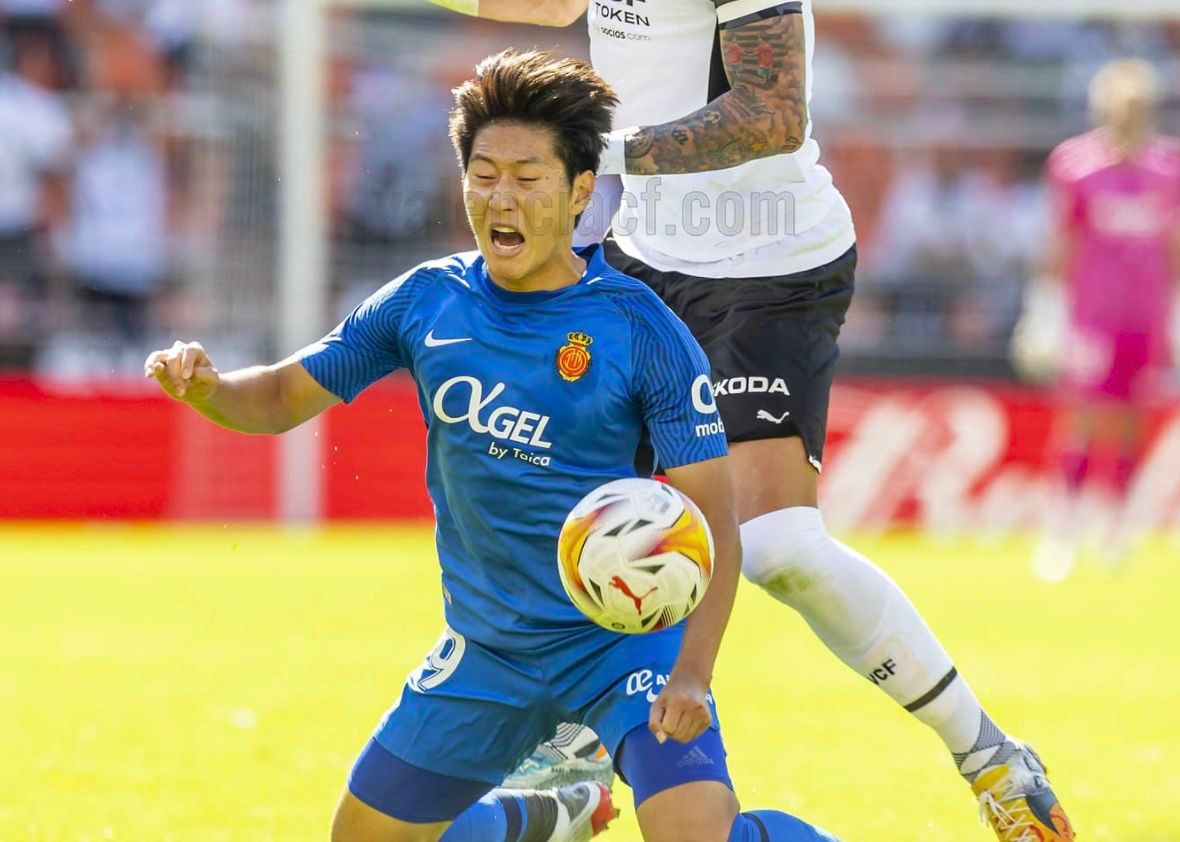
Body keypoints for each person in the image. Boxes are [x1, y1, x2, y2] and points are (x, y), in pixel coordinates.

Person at [147, 50, 841, 842]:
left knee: (695, 837)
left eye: (528, 176)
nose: (500, 198)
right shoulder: (425, 302)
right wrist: (207, 387)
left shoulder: (639, 328)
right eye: (483, 174)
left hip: (622, 649)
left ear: (582, 190)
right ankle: (539, 815)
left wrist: (693, 674)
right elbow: (277, 397)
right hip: (489, 653)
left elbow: (715, 520)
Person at [426, 1, 1074, 839]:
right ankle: (576, 760)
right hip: (646, 255)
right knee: (571, 497)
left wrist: (598, 151)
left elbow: (771, 113)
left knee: (777, 547)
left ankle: (988, 755)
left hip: (768, 268)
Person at [1016, 58, 1180, 580]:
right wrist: (1045, 308)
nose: (1131, 116)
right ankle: (1061, 531)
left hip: (1146, 314)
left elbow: (1174, 246)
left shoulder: (1168, 169)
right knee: (1082, 419)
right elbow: (1059, 240)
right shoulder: (1076, 165)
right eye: (1121, 106)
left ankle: (1116, 531)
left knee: (1133, 422)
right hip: (1093, 315)